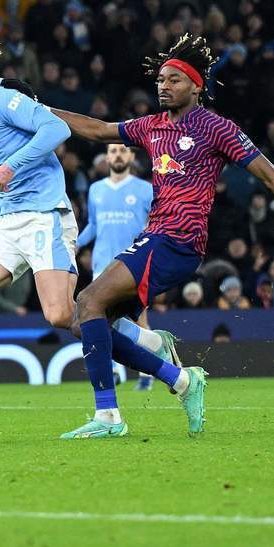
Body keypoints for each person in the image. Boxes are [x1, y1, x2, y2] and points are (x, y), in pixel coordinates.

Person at [51, 34, 274, 438]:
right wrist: (37, 109)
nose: (163, 86)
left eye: (173, 80)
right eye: (160, 80)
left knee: (89, 301)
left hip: (179, 241)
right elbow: (96, 130)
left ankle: (109, 416)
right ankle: (181, 379)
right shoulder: (152, 126)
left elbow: (272, 177)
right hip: (156, 236)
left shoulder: (216, 129)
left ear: (196, 86)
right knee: (84, 321)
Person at [0, 40, 174, 440]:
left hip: (46, 216)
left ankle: (153, 347)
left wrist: (14, 164)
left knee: (62, 315)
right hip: (10, 222)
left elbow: (56, 127)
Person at [76, 142, 158, 389]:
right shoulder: (95, 189)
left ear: (131, 156)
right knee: (100, 318)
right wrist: (76, 244)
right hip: (102, 264)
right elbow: (93, 225)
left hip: (132, 264)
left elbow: (154, 224)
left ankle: (148, 373)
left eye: (123, 150)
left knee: (137, 318)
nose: (118, 154)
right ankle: (112, 370)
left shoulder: (146, 189)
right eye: (113, 151)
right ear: (108, 157)